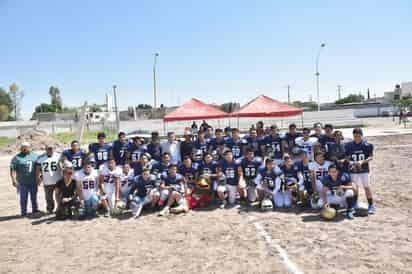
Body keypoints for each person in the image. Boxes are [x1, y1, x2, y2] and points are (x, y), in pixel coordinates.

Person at [345, 128, 375, 214]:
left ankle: (371, 205)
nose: (357, 138)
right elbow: (347, 157)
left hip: (364, 169)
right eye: (355, 136)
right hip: (353, 170)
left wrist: (362, 162)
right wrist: (351, 162)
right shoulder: (348, 145)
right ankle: (355, 203)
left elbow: (371, 157)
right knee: (355, 187)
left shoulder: (367, 145)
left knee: (366, 187)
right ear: (353, 136)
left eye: (358, 136)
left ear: (362, 135)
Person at [10, 142, 39, 217]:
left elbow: (39, 168)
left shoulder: (35, 156)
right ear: (21, 148)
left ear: (30, 147)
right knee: (23, 198)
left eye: (26, 147)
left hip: (33, 181)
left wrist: (39, 177)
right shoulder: (17, 157)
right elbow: (12, 169)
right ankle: (23, 212)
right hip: (22, 182)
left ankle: (35, 210)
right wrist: (13, 180)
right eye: (23, 147)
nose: (25, 149)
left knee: (34, 197)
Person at [35, 145, 63, 214]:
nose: (50, 150)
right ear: (46, 149)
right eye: (48, 149)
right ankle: (50, 209)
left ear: (54, 149)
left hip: (58, 180)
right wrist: (38, 178)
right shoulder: (41, 158)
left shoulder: (59, 156)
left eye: (51, 149)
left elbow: (62, 167)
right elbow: (38, 169)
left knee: (59, 196)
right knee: (48, 197)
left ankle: (60, 208)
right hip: (47, 181)